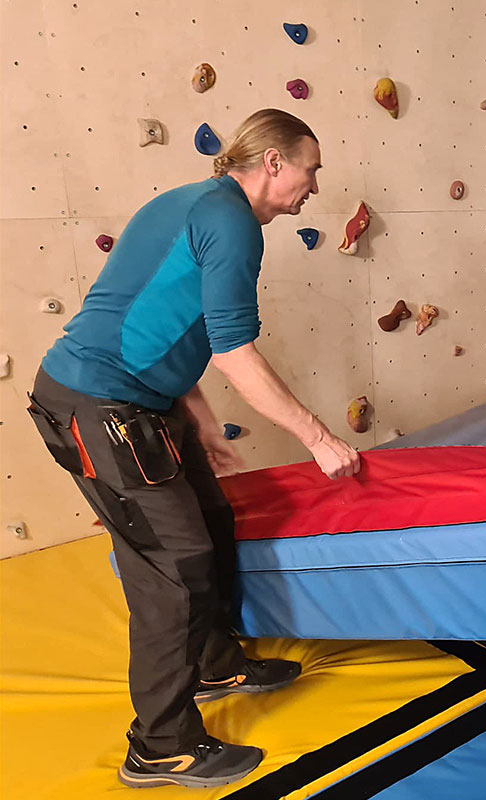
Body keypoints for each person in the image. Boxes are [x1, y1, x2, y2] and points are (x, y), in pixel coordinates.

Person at [26, 108, 361, 789]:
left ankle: (216, 664)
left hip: (143, 402)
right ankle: (160, 747)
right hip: (96, 406)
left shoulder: (198, 205)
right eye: (311, 168)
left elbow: (165, 318)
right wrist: (318, 438)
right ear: (273, 163)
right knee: (173, 567)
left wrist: (196, 412)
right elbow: (235, 349)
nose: (315, 185)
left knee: (210, 519)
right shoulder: (230, 221)